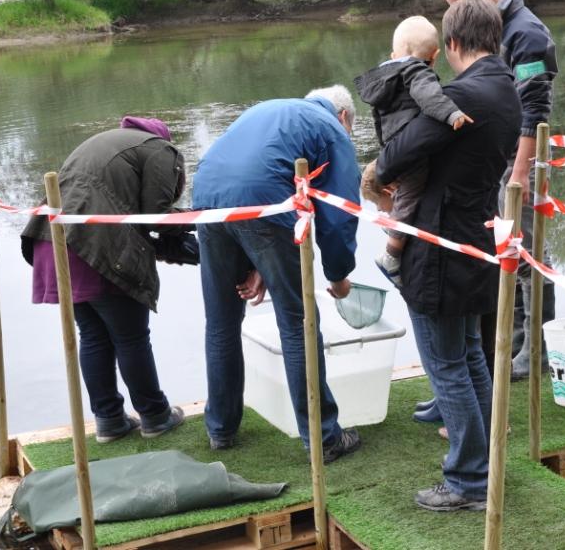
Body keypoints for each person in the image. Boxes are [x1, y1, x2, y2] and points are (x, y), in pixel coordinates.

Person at [376, 0, 520, 511]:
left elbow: (395, 156)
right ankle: (486, 467)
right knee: (470, 359)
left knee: (446, 366)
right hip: (478, 237)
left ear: (452, 44)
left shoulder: (462, 94)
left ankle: (467, 481)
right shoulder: (508, 89)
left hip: (439, 246)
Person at [192, 86, 363, 463]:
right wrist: (339, 276)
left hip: (205, 196)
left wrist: (258, 265)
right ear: (345, 118)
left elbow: (255, 172)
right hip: (258, 201)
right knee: (298, 320)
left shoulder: (269, 107)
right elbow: (339, 216)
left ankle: (221, 429)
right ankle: (324, 438)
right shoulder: (331, 128)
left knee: (220, 321)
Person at [20, 117, 191, 443]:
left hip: (55, 242)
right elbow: (157, 213)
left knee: (94, 335)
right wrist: (191, 226)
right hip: (93, 244)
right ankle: (155, 415)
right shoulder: (161, 149)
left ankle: (109, 421)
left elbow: (123, 207)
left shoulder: (111, 142)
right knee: (131, 337)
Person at [444, 0, 558, 381]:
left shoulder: (526, 34)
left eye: (463, 4)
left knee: (527, 254)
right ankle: (511, 346)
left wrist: (521, 172)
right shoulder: (499, 31)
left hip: (521, 163)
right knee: (504, 251)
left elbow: (536, 108)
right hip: (499, 159)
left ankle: (538, 351)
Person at [354, 15, 472, 287]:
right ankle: (392, 253)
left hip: (395, 143)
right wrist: (451, 113)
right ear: (435, 55)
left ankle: (393, 222)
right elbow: (430, 97)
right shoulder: (417, 71)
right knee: (412, 192)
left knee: (403, 189)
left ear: (394, 54)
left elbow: (379, 119)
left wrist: (388, 152)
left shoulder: (385, 77)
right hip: (412, 145)